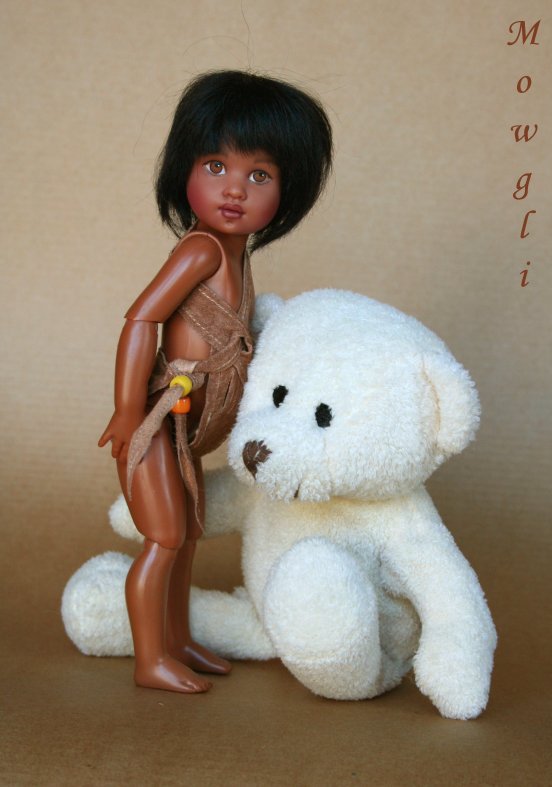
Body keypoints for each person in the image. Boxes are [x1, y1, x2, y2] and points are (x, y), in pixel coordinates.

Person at [98, 70, 333, 693]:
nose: (234, 189)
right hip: (157, 424)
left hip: (186, 435)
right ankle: (151, 658)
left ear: (288, 190)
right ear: (184, 170)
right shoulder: (201, 250)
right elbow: (141, 318)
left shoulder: (237, 256)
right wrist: (128, 410)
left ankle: (176, 640)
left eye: (260, 175)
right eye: (215, 166)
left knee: (187, 538)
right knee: (165, 538)